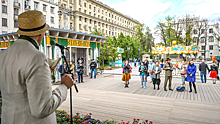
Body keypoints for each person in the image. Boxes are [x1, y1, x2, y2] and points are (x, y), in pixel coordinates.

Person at [0, 10, 74, 124]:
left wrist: (45, 74)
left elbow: (18, 84)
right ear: (41, 33)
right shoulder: (37, 57)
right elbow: (42, 109)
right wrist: (64, 86)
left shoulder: (3, 54)